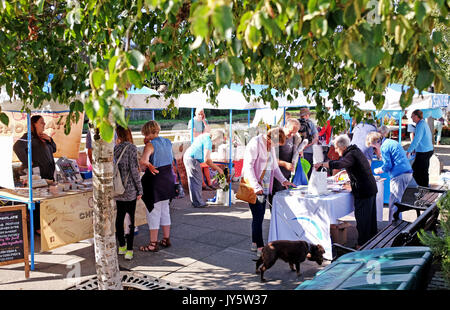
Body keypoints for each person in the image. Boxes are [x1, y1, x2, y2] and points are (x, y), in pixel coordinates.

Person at [315, 134, 378, 248]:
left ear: (342, 146)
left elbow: (340, 164)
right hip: (369, 187)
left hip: (364, 190)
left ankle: (362, 245)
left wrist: (323, 164)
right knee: (370, 218)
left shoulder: (351, 154)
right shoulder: (355, 150)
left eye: (336, 147)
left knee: (363, 219)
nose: (336, 150)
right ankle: (371, 242)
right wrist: (347, 173)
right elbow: (354, 166)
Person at [242, 127, 296, 257]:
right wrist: (256, 187)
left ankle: (255, 242)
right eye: (276, 144)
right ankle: (260, 247)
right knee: (258, 216)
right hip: (254, 186)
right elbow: (248, 167)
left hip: (265, 185)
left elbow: (274, 167)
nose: (275, 146)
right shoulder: (255, 143)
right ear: (269, 138)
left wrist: (284, 181)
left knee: (258, 216)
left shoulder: (270, 145)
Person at [13, 115, 57, 235]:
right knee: (37, 201)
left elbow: (54, 149)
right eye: (41, 122)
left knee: (45, 200)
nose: (44, 124)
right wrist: (28, 162)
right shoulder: (29, 136)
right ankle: (37, 228)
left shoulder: (43, 137)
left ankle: (45, 225)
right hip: (37, 176)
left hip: (48, 175)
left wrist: (50, 140)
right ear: (34, 124)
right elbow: (17, 147)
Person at [139, 120, 176, 252]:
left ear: (148, 132)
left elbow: (143, 162)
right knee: (165, 210)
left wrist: (149, 165)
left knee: (153, 212)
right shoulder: (167, 142)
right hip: (168, 178)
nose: (144, 137)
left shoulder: (150, 145)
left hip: (155, 180)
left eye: (145, 134)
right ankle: (166, 239)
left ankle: (153, 244)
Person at [366, 131, 413, 222]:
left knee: (394, 202)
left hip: (400, 175)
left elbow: (387, 166)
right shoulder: (391, 142)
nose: (374, 151)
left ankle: (393, 227)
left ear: (376, 142)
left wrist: (378, 170)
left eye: (373, 147)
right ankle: (396, 224)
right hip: (406, 172)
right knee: (396, 201)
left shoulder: (384, 147)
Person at [113, 125, 143, 261]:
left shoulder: (115, 149)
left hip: (118, 188)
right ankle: (129, 250)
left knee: (119, 218)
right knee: (130, 219)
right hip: (130, 188)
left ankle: (121, 246)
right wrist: (140, 188)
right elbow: (134, 171)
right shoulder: (131, 148)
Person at [183, 129, 225, 208]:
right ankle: (198, 203)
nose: (218, 142)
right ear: (216, 137)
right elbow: (207, 160)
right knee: (196, 181)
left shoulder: (205, 136)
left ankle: (196, 202)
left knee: (194, 181)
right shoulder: (208, 141)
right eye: (219, 140)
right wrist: (219, 169)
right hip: (192, 159)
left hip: (189, 157)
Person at [269, 119, 302, 205]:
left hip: (286, 174)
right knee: (276, 201)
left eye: (295, 132)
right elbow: (270, 159)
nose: (292, 135)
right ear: (285, 126)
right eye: (291, 132)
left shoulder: (294, 137)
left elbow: (294, 151)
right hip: (275, 175)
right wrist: (284, 164)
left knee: (284, 201)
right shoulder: (276, 136)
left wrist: (299, 153)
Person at [406, 109, 434, 187]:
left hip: (424, 152)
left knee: (417, 171)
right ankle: (424, 189)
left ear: (416, 116)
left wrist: (409, 151)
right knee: (423, 171)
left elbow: (416, 139)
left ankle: (424, 189)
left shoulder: (421, 124)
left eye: (412, 116)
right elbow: (420, 139)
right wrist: (414, 149)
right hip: (426, 150)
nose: (411, 118)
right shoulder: (422, 123)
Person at [298, 108, 318, 179]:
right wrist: (307, 145)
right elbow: (316, 138)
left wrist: (301, 147)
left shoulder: (296, 123)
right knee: (307, 171)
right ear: (307, 115)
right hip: (308, 151)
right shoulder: (310, 123)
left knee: (298, 171)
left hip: (297, 152)